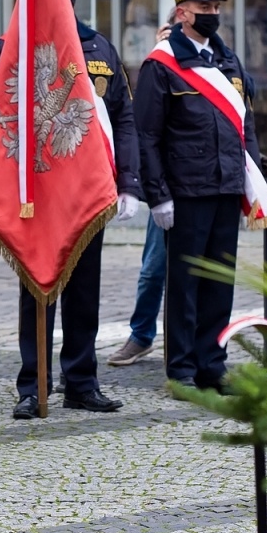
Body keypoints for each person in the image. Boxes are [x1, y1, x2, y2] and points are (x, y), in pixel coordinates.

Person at [0, 0, 143, 419]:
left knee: (84, 291)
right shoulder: (9, 47)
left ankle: (81, 382)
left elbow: (123, 119)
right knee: (37, 288)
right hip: (38, 192)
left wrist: (128, 183)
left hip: (86, 192)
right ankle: (34, 384)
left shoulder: (99, 48)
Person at [135, 0, 266, 391]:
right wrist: (158, 197)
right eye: (204, 8)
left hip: (227, 184)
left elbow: (244, 124)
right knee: (185, 283)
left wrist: (255, 177)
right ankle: (182, 368)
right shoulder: (161, 64)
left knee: (219, 280)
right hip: (186, 190)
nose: (212, 13)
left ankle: (213, 362)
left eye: (216, 7)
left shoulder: (227, 60)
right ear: (182, 13)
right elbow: (148, 135)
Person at [108, 21, 174, 368]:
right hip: (167, 187)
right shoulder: (159, 68)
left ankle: (192, 345)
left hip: (205, 186)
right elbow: (143, 126)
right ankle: (142, 335)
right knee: (154, 268)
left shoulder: (214, 64)